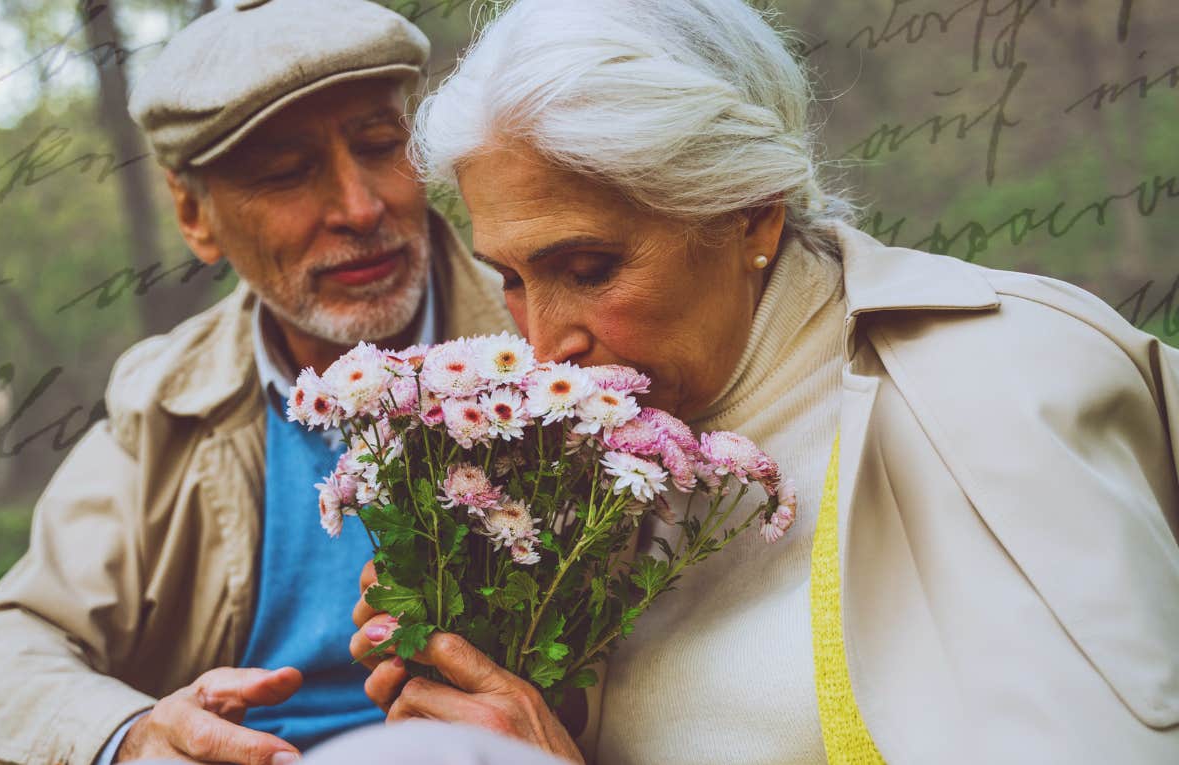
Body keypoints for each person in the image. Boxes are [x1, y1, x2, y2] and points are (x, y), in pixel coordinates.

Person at [345, 0, 1179, 763]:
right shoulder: (568, 451)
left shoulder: (1003, 386)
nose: (544, 344)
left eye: (591, 267)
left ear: (751, 208)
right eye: (513, 278)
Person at [0, 2, 512, 765]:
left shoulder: (538, 341)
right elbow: (1, 642)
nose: (359, 206)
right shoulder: (168, 395)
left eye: (382, 146)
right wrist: (131, 737)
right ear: (194, 214)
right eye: (288, 174)